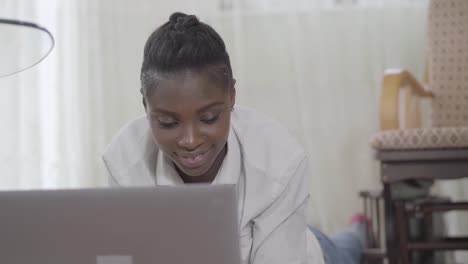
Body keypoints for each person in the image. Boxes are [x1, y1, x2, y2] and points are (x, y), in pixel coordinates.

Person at [103, 12, 367, 264]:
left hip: (305, 252)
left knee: (347, 248)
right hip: (280, 231)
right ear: (145, 105)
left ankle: (358, 229)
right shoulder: (124, 162)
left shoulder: (278, 160)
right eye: (168, 123)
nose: (190, 140)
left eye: (208, 118)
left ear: (231, 95)